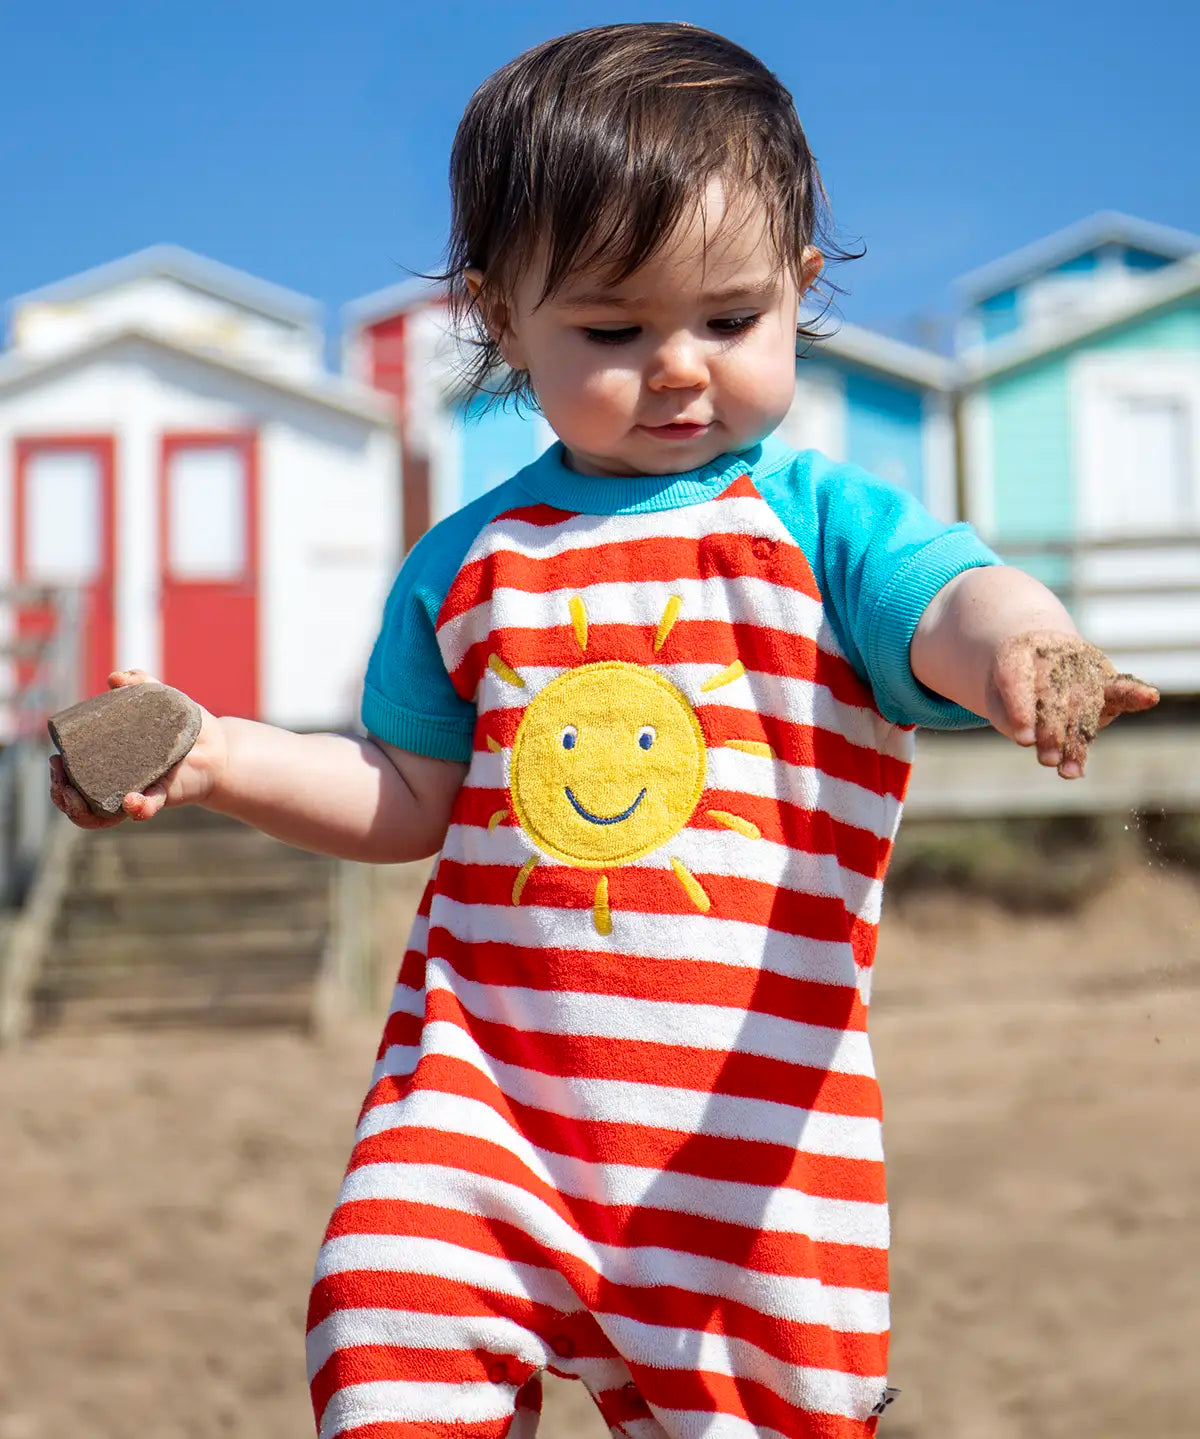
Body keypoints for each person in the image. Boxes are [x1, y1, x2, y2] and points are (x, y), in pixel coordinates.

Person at [52, 22, 1159, 1439]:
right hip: (484, 1092)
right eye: (613, 330)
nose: (681, 368)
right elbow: (404, 796)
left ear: (801, 289)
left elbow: (950, 596)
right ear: (499, 319)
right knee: (386, 1315)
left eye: (731, 318)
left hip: (745, 1139)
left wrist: (1026, 648)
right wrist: (217, 757)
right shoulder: (472, 563)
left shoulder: (814, 524)